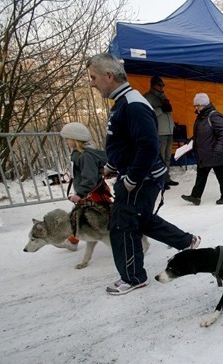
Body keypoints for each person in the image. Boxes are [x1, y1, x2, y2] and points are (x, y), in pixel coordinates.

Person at [86, 53, 201, 296]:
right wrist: (113, 166)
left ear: (109, 76)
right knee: (141, 219)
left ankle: (134, 278)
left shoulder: (133, 104)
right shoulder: (124, 101)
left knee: (123, 227)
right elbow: (128, 143)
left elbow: (148, 146)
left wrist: (131, 179)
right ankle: (186, 241)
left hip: (140, 179)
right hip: (137, 176)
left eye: (94, 78)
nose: (92, 83)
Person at [181, 93, 223, 206]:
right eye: (195, 106)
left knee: (221, 176)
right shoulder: (201, 117)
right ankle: (195, 196)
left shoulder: (214, 116)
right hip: (205, 154)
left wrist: (218, 150)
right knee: (201, 175)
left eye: (198, 105)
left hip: (217, 153)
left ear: (205, 104)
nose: (196, 108)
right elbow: (201, 134)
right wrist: (191, 141)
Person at [143, 76, 178, 189]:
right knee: (160, 157)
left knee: (167, 157)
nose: (162, 87)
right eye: (159, 85)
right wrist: (161, 110)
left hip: (168, 131)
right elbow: (146, 114)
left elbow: (168, 112)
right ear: (153, 84)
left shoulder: (163, 96)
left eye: (163, 85)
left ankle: (166, 178)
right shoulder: (148, 97)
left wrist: (172, 126)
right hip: (159, 132)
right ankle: (159, 179)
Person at [61, 122, 108, 205]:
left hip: (93, 196)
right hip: (87, 195)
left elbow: (90, 178)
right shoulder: (80, 154)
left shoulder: (86, 156)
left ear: (75, 139)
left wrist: (80, 194)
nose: (66, 141)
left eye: (67, 138)